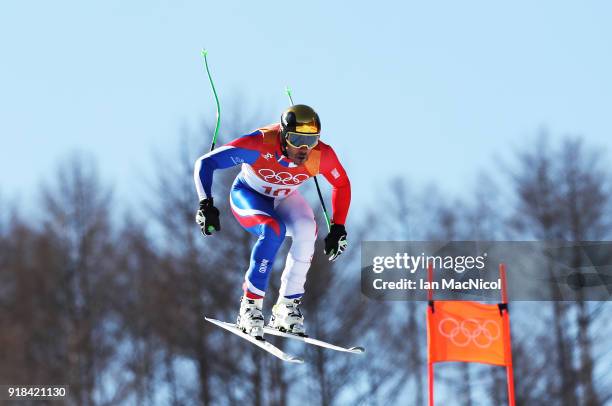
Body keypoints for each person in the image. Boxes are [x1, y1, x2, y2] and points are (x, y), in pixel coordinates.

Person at [193, 104, 351, 339]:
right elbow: (205, 163)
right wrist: (206, 204)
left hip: (284, 198)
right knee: (273, 229)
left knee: (308, 229)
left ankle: (287, 308)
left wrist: (338, 226)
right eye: (297, 139)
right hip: (249, 195)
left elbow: (341, 184)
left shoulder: (320, 155)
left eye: (312, 140)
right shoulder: (261, 143)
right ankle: (250, 307)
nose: (304, 148)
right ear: (284, 135)